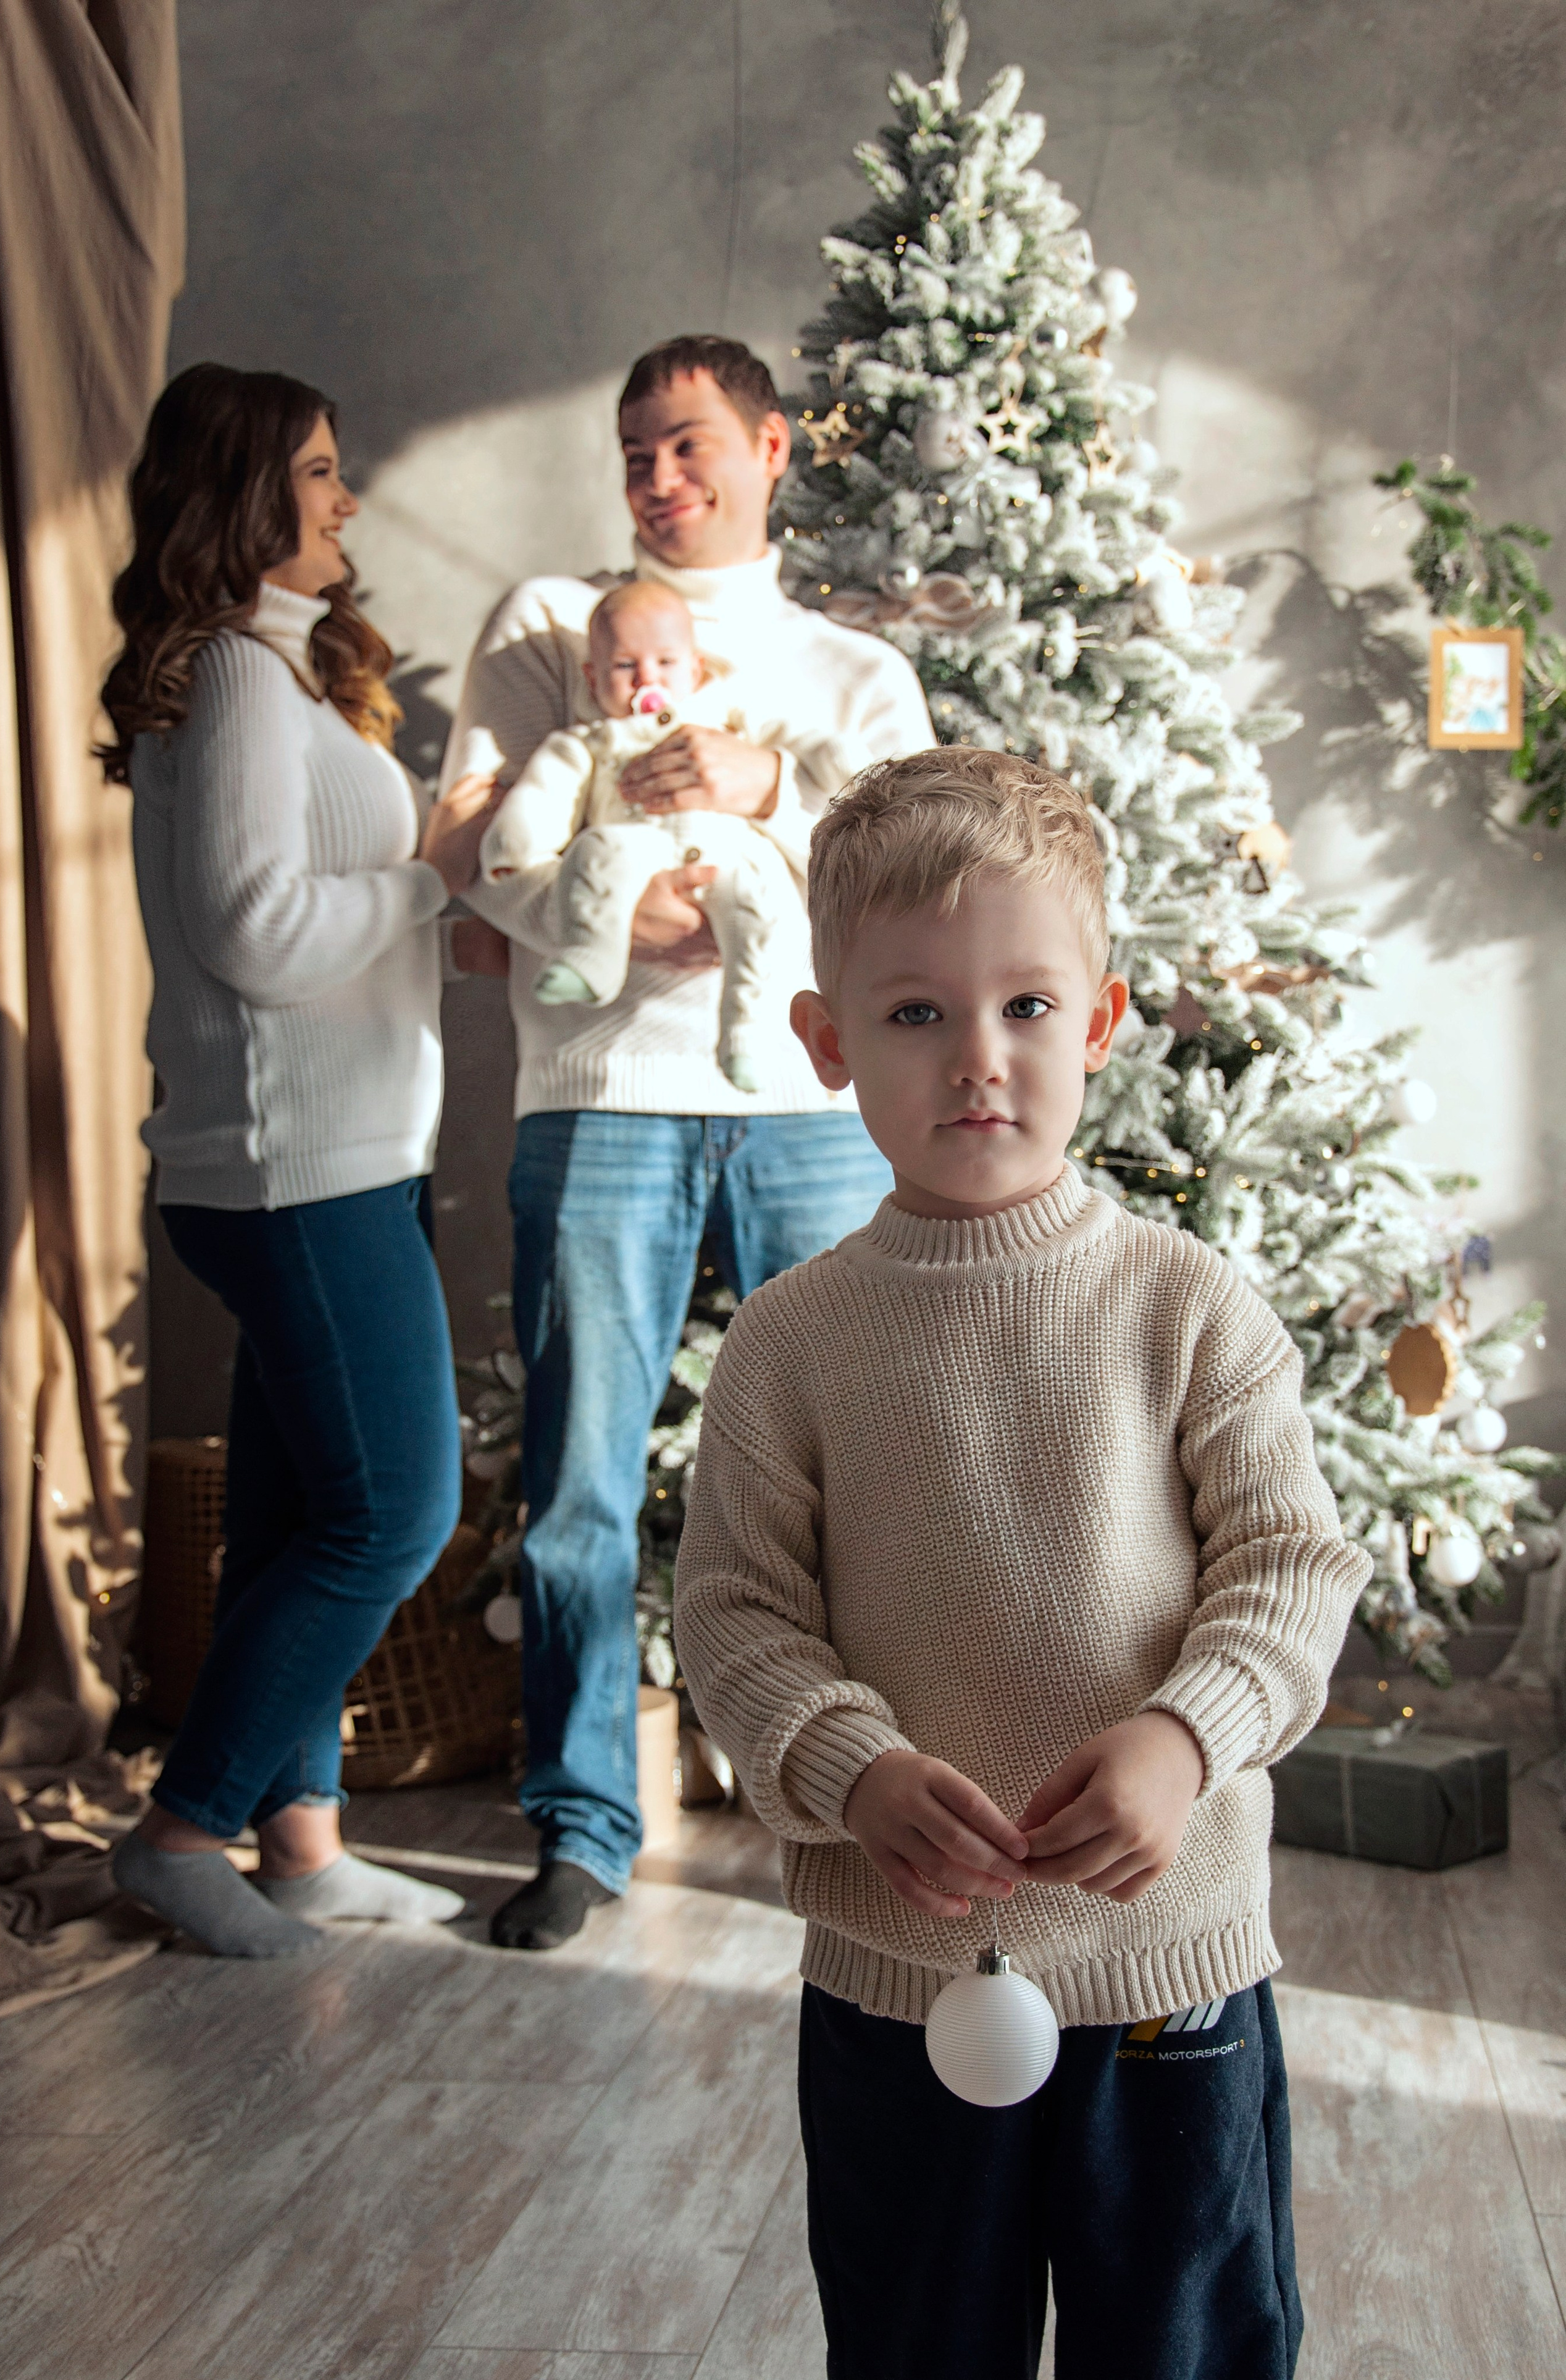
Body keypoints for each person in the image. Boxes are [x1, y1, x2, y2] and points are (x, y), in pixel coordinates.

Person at [673, 748, 1371, 2380]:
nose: (978, 1059)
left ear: (1103, 1021)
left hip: (1166, 1978)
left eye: (1027, 1008)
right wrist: (850, 1768)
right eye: (915, 1015)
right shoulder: (795, 1340)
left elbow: (1289, 1565)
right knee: (919, 2344)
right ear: (829, 1041)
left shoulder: (1189, 1305)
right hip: (900, 1985)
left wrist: (1185, 1732)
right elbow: (736, 1615)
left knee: (1185, 2346)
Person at [449, 334, 934, 1950]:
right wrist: (616, 909)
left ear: (773, 447)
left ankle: (880, 1805)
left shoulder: (854, 678)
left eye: (691, 445)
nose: (660, 479)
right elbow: (476, 851)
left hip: (807, 1112)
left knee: (866, 1472)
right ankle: (583, 1824)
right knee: (581, 1483)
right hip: (596, 1099)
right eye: (635, 451)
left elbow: (910, 870)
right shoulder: (545, 628)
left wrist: (769, 778)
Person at [102, 363, 506, 1957]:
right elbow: (260, 934)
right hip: (294, 1169)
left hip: (325, 1155)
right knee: (391, 1517)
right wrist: (429, 878)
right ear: (246, 493)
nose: (346, 498)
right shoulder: (237, 683)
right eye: (322, 470)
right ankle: (184, 1826)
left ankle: (302, 1841)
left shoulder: (264, 670)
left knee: (291, 1525)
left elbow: (301, 915)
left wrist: (439, 917)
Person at [475, 578, 868, 1091]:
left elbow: (802, 745)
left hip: (731, 855)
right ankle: (593, 957)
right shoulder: (590, 741)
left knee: (761, 907)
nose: (645, 679)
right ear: (593, 678)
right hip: (640, 848)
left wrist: (803, 769)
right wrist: (517, 842)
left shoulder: (730, 717)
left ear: (696, 668)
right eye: (624, 667)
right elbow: (547, 791)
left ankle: (745, 1031)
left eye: (665, 663)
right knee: (597, 851)